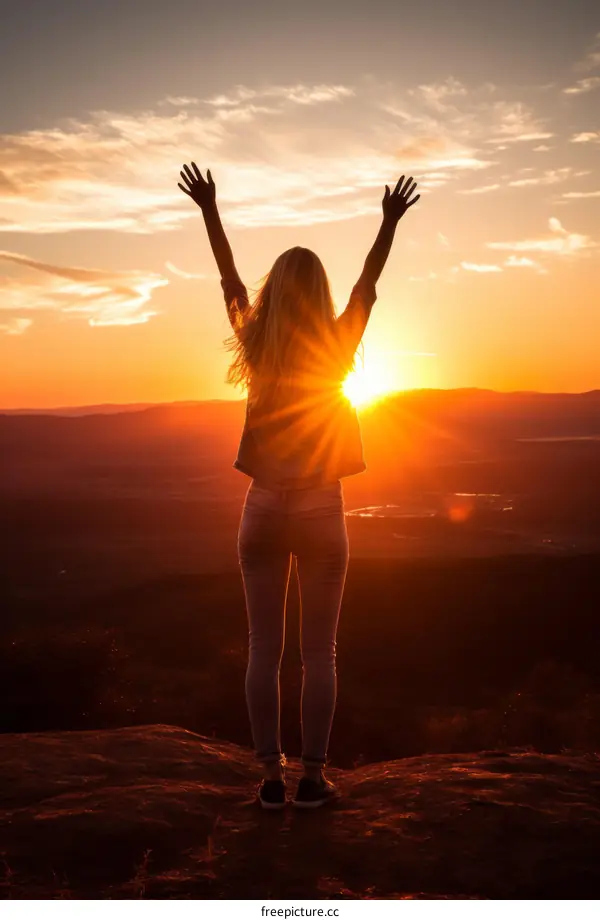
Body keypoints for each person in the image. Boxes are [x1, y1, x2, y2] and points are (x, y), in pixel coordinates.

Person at [178, 164, 419, 809]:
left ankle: (269, 778)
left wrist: (210, 211)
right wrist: (389, 222)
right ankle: (312, 777)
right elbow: (368, 285)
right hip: (321, 509)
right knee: (320, 654)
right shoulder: (338, 346)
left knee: (263, 648)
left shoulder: (256, 345)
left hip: (261, 507)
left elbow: (229, 282)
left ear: (276, 293)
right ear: (319, 294)